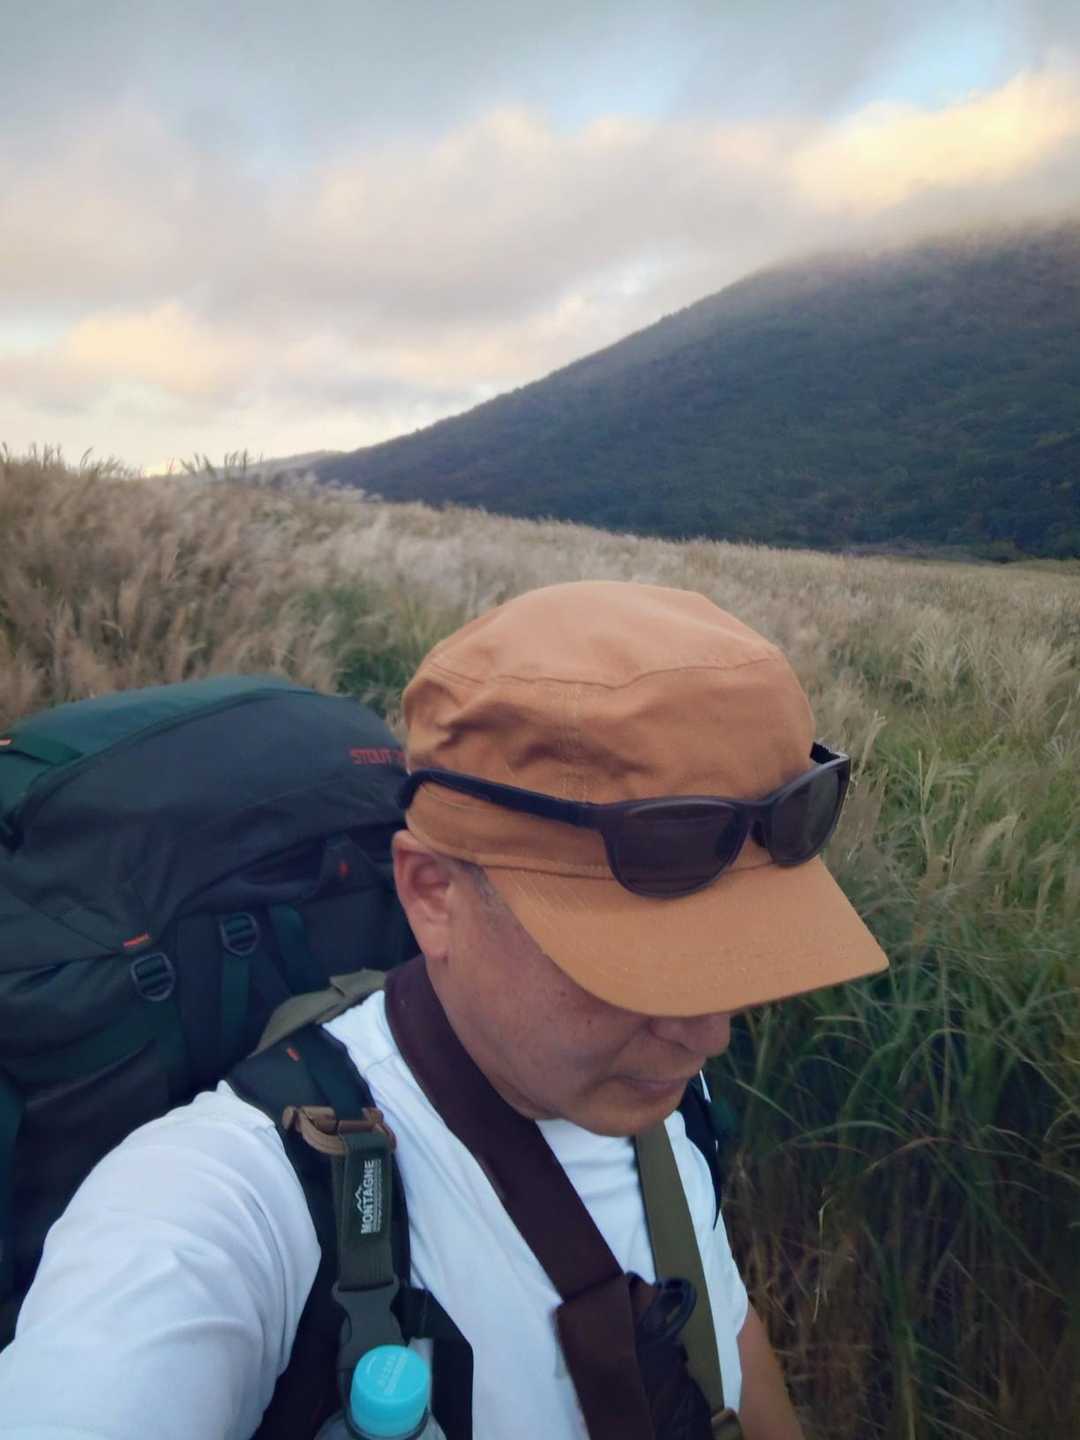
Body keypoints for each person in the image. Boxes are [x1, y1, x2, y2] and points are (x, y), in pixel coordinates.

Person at [0, 580, 888, 1439]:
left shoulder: (662, 1105)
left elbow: (726, 1332)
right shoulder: (217, 1204)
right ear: (432, 894)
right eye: (636, 973)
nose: (707, 1035)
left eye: (728, 964)